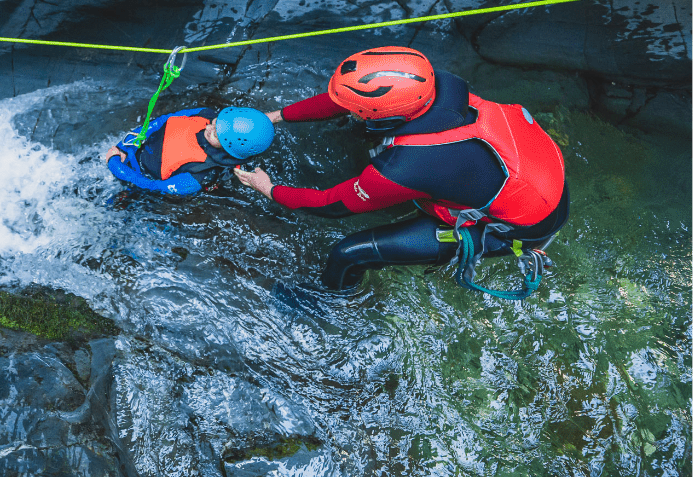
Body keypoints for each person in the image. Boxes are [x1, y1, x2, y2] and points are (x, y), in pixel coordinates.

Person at [235, 46, 569, 293]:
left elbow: (330, 206)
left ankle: (332, 306)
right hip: (532, 175)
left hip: (518, 228)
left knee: (348, 252)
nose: (347, 110)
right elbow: (342, 101)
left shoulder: (403, 168)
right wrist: (276, 116)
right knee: (361, 134)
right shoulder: (435, 85)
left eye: (359, 110)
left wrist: (266, 187)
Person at [106, 106, 276, 196]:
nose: (208, 126)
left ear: (230, 148)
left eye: (216, 134)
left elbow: (153, 186)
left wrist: (118, 167)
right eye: (216, 121)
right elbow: (165, 119)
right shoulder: (205, 114)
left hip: (135, 177)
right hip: (130, 152)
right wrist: (129, 143)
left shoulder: (199, 175)